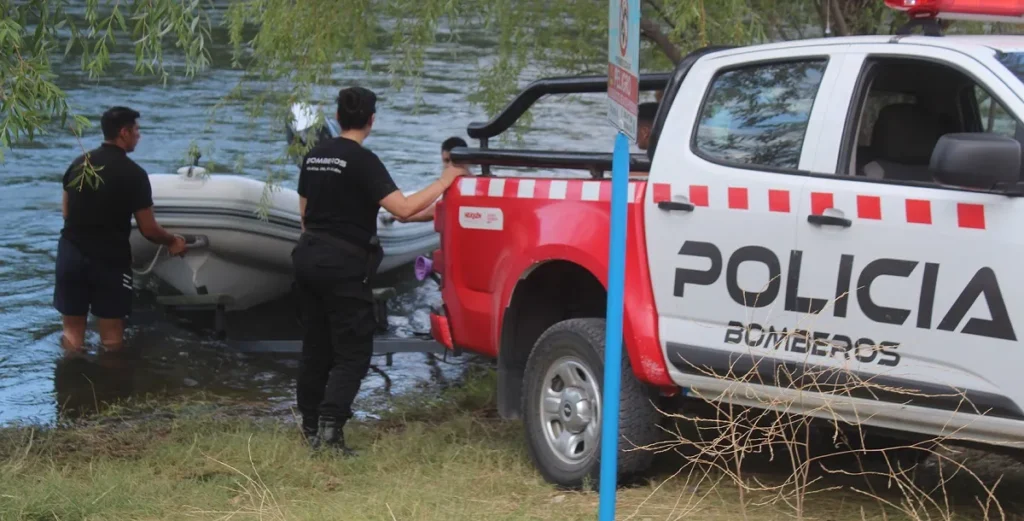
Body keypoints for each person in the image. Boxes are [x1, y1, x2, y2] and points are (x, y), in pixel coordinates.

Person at [292, 87, 468, 455]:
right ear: (371, 121)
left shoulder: (313, 157)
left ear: (338, 117)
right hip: (342, 265)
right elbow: (402, 209)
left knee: (316, 347)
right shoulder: (362, 161)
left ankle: (309, 425)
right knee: (353, 352)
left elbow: (305, 216)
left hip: (308, 258)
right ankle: (330, 432)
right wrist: (445, 181)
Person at [54, 106, 187, 354]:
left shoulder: (79, 164)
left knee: (71, 332)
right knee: (112, 337)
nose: (139, 135)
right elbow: (148, 229)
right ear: (124, 132)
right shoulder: (133, 174)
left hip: (71, 254)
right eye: (136, 130)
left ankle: (71, 385)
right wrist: (172, 241)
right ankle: (111, 388)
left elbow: (66, 213)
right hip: (109, 259)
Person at [379, 135, 469, 224]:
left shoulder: (471, 186)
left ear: (467, 160)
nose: (450, 166)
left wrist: (407, 217)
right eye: (446, 161)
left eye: (455, 160)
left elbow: (436, 211)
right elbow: (438, 208)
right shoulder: (449, 186)